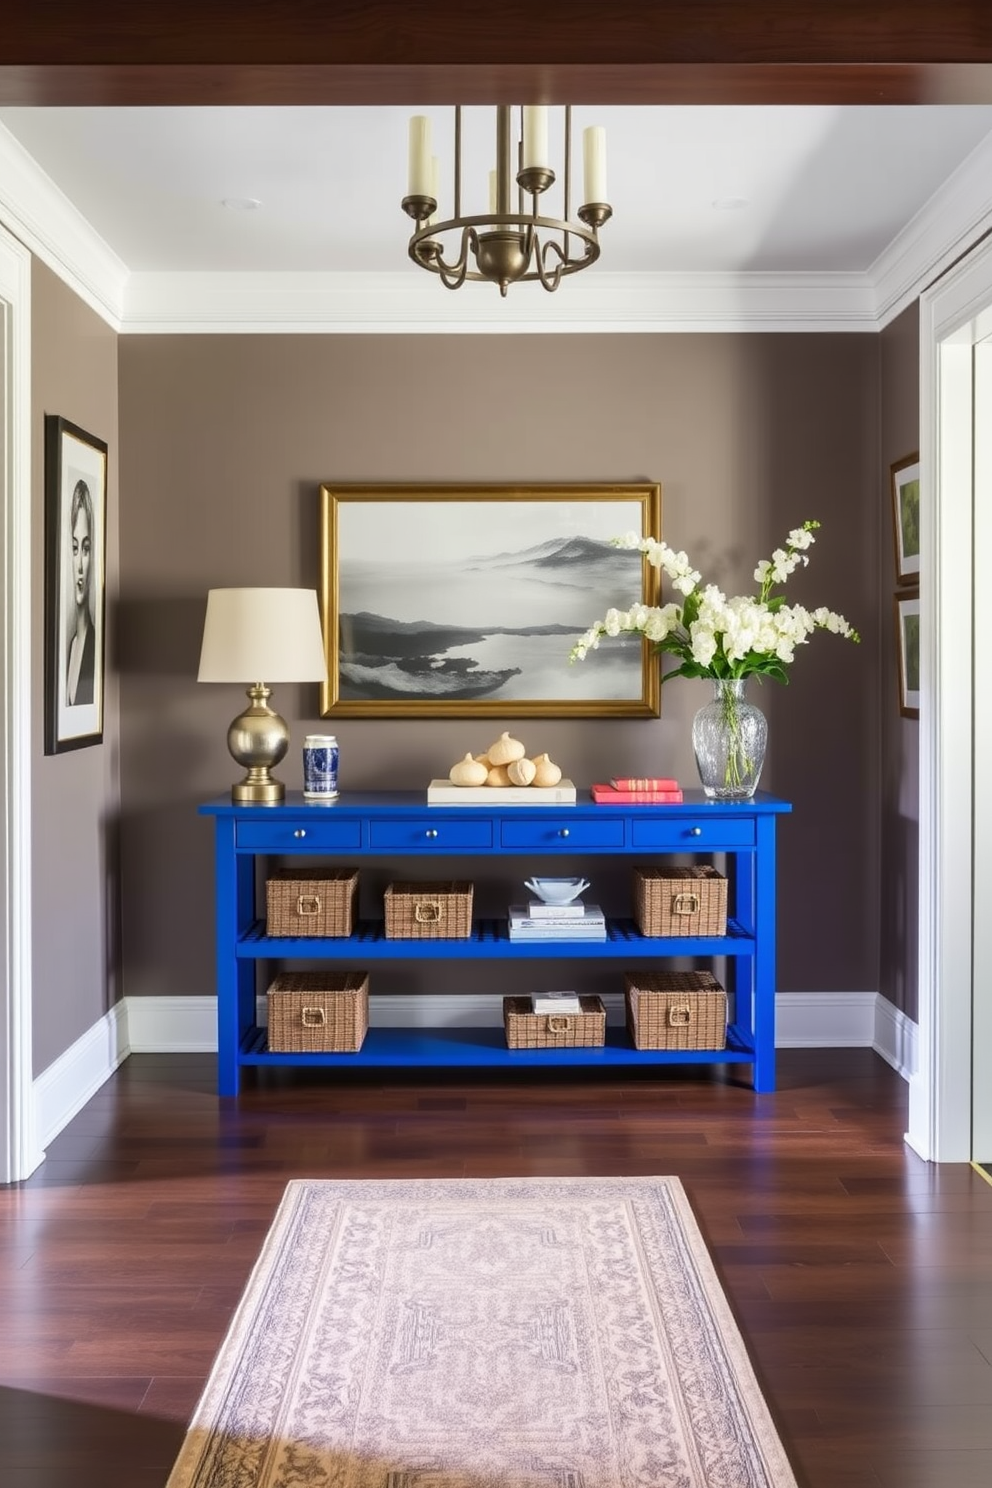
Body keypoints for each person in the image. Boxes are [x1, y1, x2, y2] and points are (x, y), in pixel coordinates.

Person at [65, 478, 95, 706]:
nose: (80, 566)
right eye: (74, 548)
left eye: (85, 549)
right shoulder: (70, 647)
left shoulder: (95, 647)